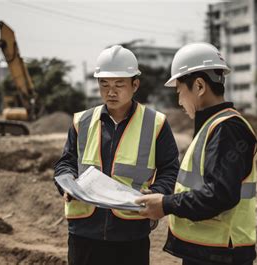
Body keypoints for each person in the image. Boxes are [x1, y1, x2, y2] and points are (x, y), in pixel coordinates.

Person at [53, 45, 179, 265]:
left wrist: (157, 193)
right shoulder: (81, 121)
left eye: (119, 84)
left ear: (135, 84)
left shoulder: (155, 123)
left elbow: (170, 168)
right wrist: (66, 183)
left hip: (131, 233)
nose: (111, 91)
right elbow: (67, 162)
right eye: (104, 84)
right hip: (84, 233)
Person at [136, 42, 257, 265]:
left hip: (220, 255)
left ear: (199, 86)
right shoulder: (214, 126)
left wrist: (166, 204)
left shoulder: (226, 129)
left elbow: (220, 194)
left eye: (179, 90)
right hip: (210, 252)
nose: (178, 100)